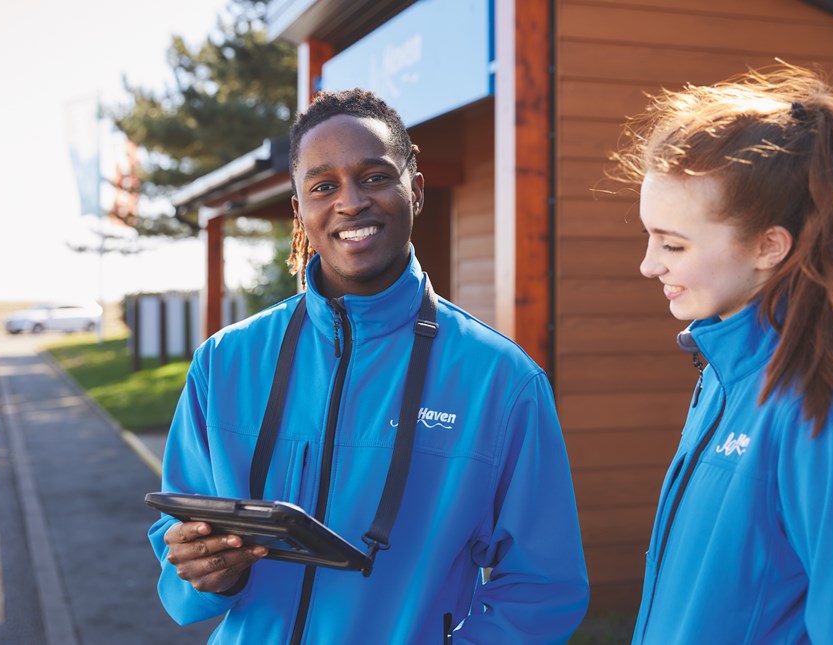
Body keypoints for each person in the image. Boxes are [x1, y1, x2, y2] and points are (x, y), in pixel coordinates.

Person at [149, 88, 590, 644]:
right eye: (323, 186)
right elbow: (177, 543)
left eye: (375, 177)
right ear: (300, 209)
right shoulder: (225, 362)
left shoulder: (501, 381)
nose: (350, 201)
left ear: (416, 190)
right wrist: (204, 572)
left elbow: (543, 586)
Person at [611, 63, 833, 643]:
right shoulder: (726, 373)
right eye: (648, 236)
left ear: (769, 245)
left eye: (672, 243)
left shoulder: (831, 405)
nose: (649, 264)